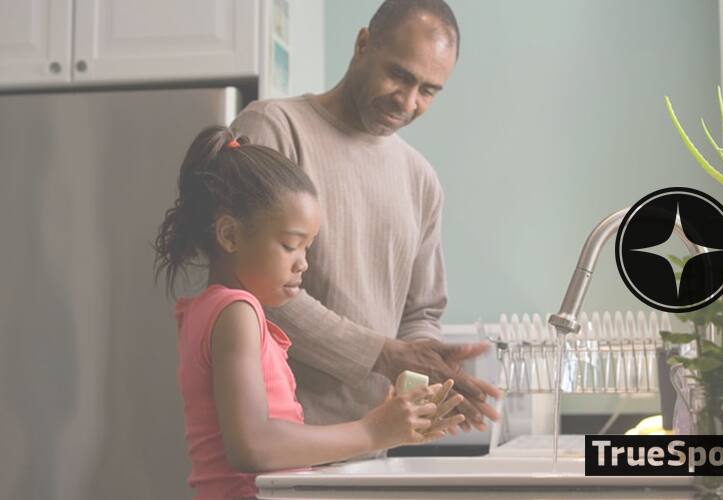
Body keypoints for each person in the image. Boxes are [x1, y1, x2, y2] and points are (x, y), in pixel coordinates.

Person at [231, 0, 500, 436]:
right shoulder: (273, 128)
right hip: (280, 441)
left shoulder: (421, 179)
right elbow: (252, 286)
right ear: (362, 45)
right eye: (399, 75)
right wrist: (384, 354)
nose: (408, 101)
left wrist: (428, 365)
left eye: (429, 90)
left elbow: (421, 310)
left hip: (372, 444)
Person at [154, 126, 465, 499]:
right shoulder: (237, 312)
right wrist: (372, 431)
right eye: (291, 245)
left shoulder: (209, 309)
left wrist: (385, 425)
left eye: (308, 248)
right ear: (230, 236)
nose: (303, 264)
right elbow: (253, 446)